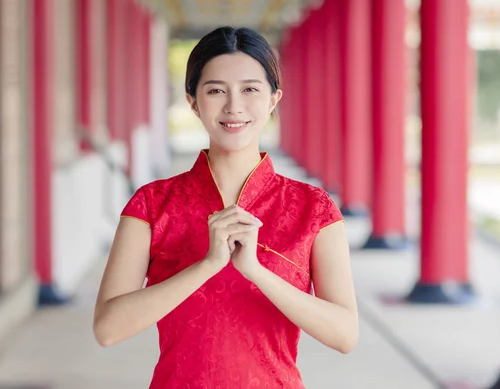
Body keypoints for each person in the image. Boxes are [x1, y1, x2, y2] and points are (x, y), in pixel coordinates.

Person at [93, 26, 358, 388]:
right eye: (216, 90)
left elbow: (344, 335)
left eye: (250, 89)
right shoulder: (151, 204)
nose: (234, 106)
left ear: (273, 99)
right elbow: (107, 329)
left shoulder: (315, 209)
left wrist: (256, 271)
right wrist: (208, 265)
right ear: (193, 102)